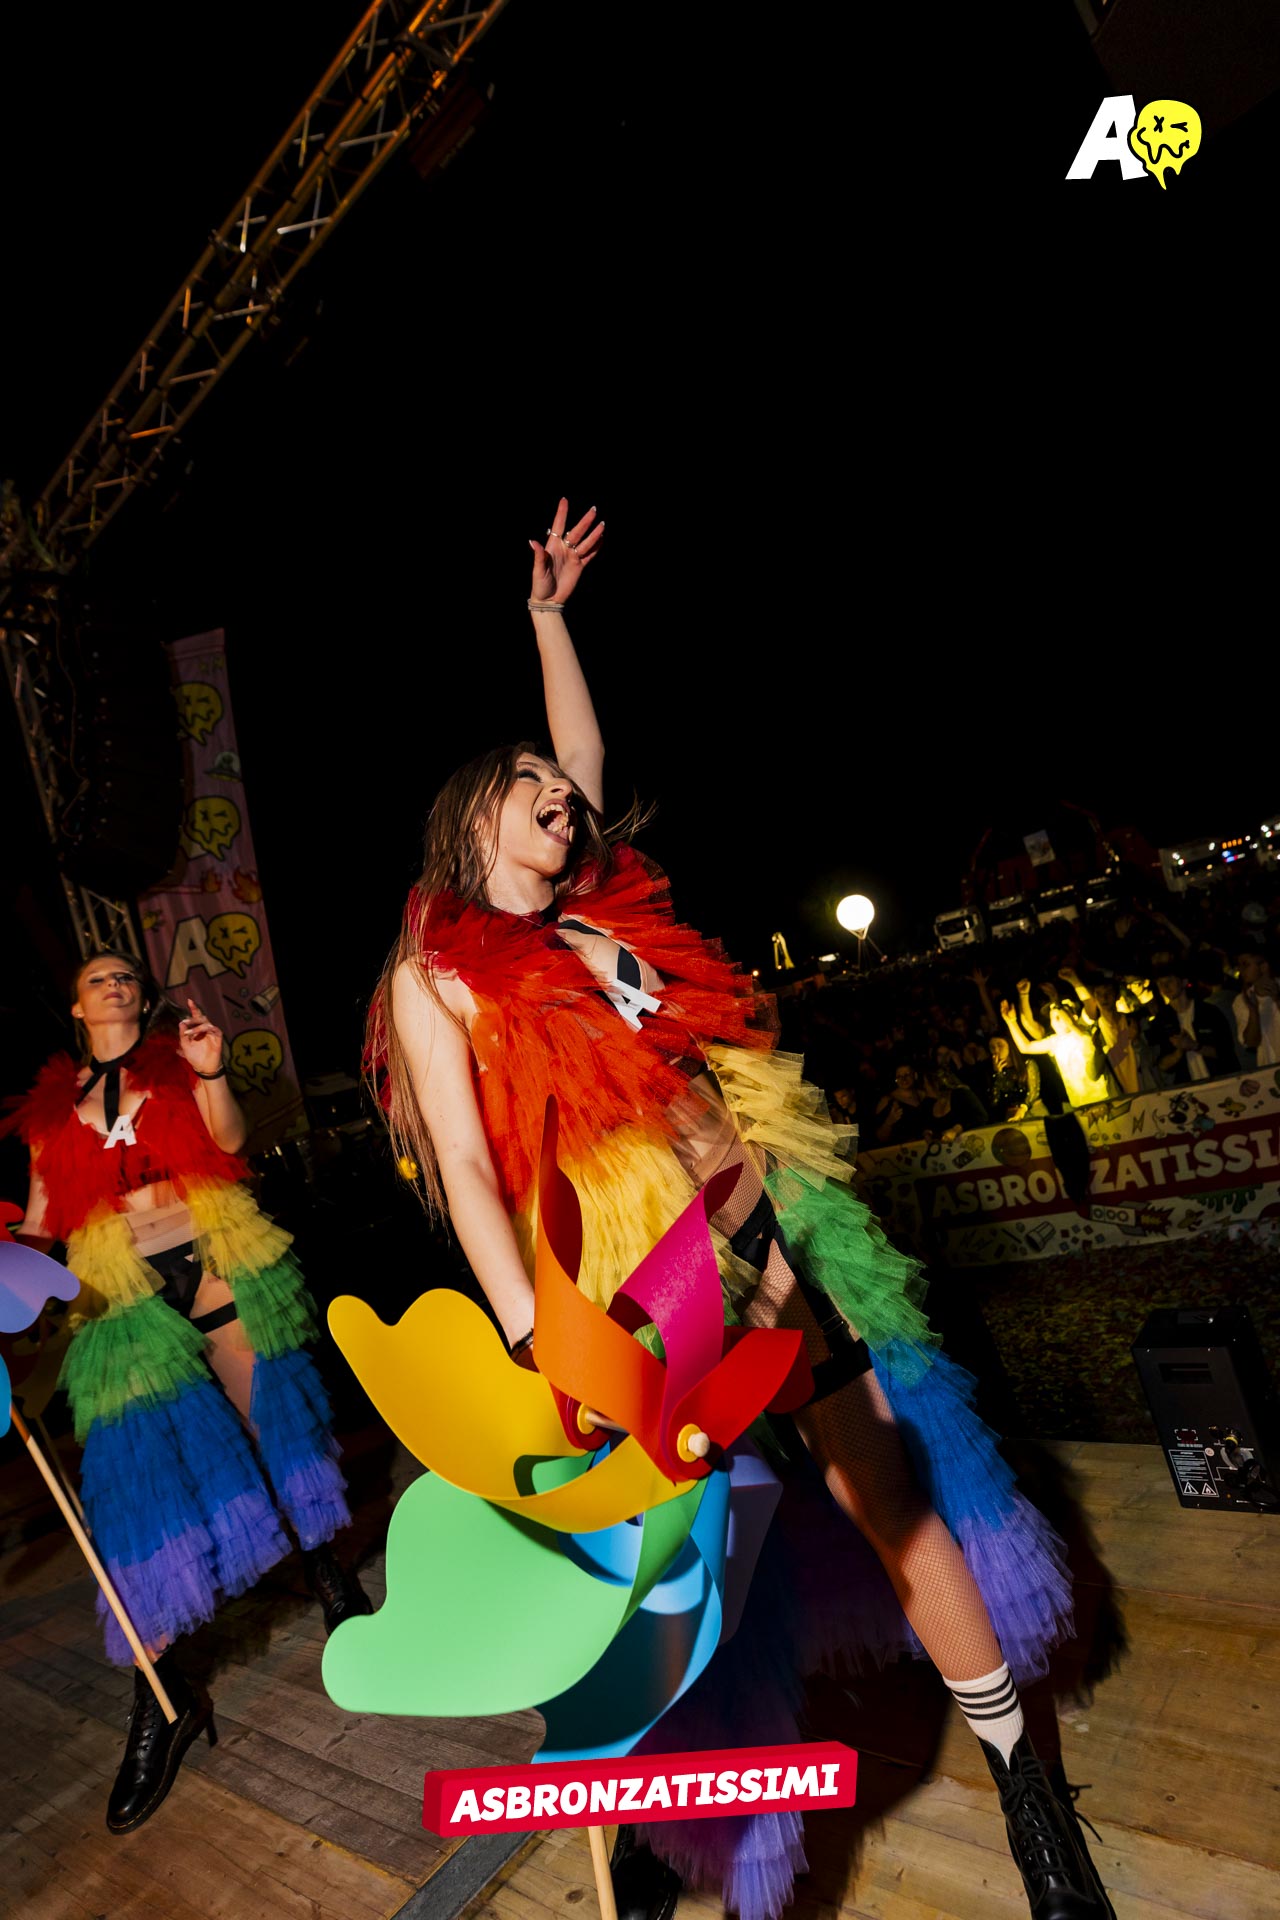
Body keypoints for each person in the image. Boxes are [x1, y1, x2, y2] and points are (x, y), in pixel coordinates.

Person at [365, 499, 1115, 1920]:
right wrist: (529, 1327)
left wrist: (547, 619)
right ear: (470, 818)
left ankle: (1032, 1800)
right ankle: (658, 1822)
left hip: (765, 1217)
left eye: (560, 784)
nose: (558, 790)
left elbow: (584, 756)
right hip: (631, 1282)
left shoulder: (599, 903)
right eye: (526, 782)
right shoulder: (437, 973)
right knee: (666, 1559)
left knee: (882, 1488)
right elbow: (463, 1162)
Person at [5, 954, 369, 1834]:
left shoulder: (178, 1063)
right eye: (98, 978)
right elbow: (44, 1222)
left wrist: (210, 1073)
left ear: (142, 998)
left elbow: (230, 1144)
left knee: (273, 1423)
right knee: (140, 1487)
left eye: (127, 976)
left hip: (213, 1254)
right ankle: (161, 1694)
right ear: (76, 1007)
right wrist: (9, 1278)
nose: (115, 983)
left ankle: (326, 1572)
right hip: (121, 1289)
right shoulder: (50, 1113)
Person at [1150, 953, 1236, 1085]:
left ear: (1184, 982)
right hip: (1189, 1089)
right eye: (1160, 984)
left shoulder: (1208, 1012)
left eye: (1170, 981)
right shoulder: (1162, 1020)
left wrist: (1194, 1046)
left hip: (1222, 1083)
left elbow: (1226, 1052)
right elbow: (1161, 1064)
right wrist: (1179, 1051)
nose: (1165, 987)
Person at [1234, 942, 1280, 1066]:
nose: (1240, 970)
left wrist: (1277, 999)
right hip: (1268, 1068)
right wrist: (1253, 1011)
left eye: (1246, 965)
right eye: (1239, 965)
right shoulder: (1242, 1000)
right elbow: (1251, 1043)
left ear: (1264, 966)